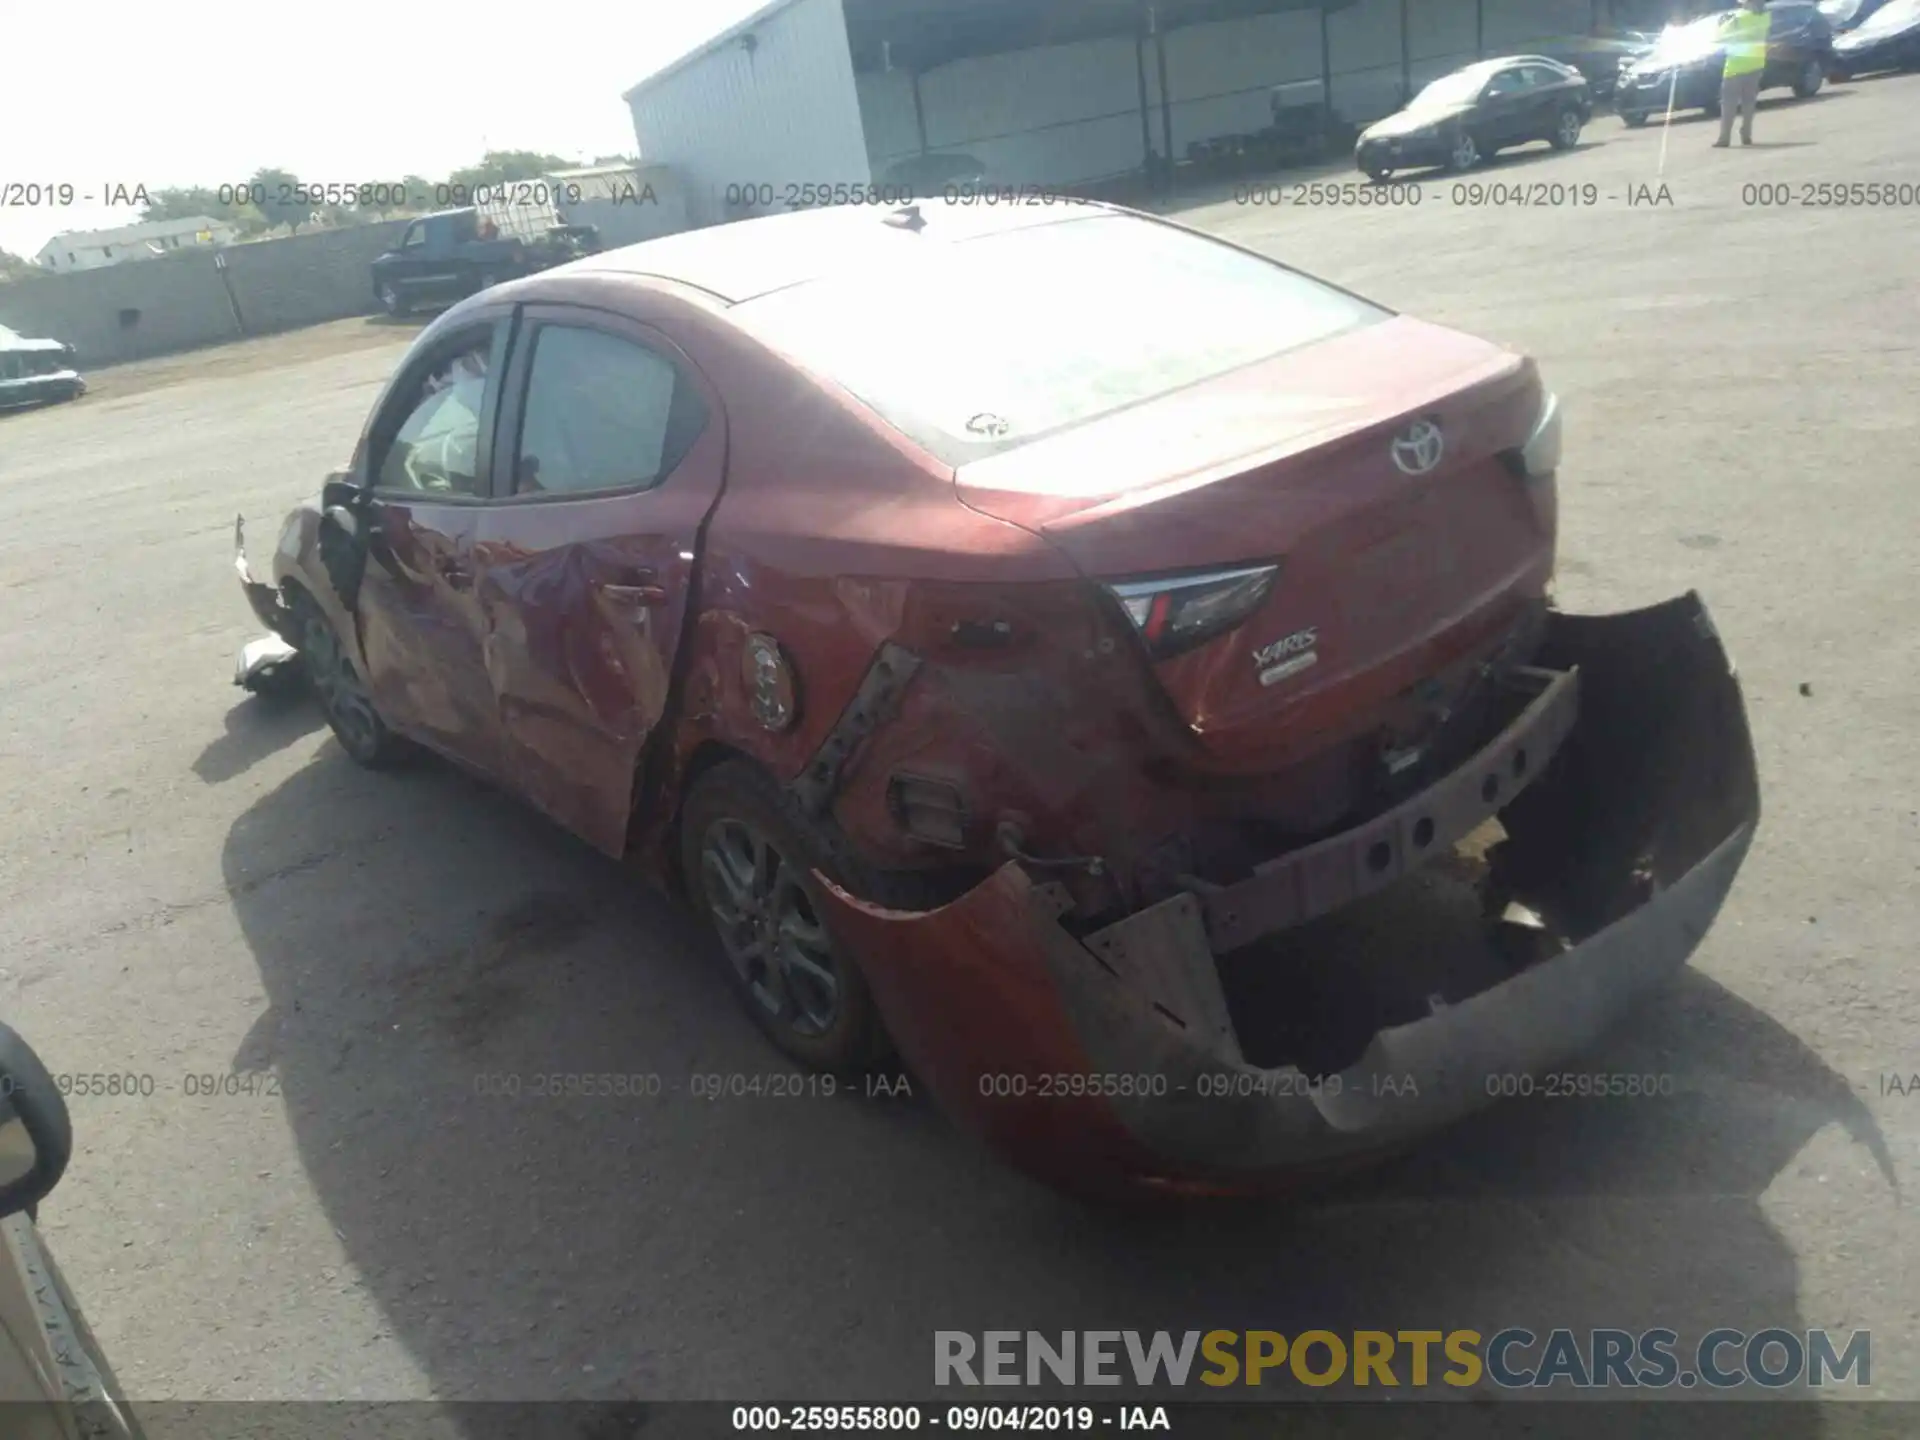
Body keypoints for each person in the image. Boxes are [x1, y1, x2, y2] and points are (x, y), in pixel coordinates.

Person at [1714, 0, 1772, 147]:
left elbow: (1720, 37)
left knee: (1729, 103)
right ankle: (1746, 134)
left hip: (1736, 65)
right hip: (1756, 62)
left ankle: (1724, 137)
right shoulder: (1765, 17)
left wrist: (1722, 23)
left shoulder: (1738, 18)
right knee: (1749, 102)